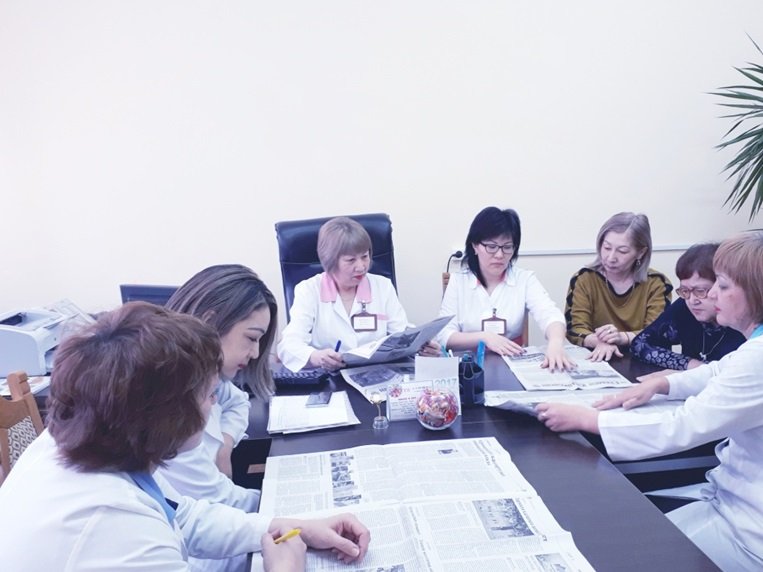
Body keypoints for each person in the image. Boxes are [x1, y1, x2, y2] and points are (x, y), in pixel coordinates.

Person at [0, 302, 371, 571]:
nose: (214, 404)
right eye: (209, 394)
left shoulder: (92, 442)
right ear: (168, 413)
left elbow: (184, 517)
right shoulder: (113, 524)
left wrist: (292, 527)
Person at [536, 230, 763, 571]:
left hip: (746, 531)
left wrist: (589, 420)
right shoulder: (753, 349)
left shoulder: (757, 357)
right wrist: (661, 384)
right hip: (731, 502)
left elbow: (685, 426)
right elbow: (717, 372)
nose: (712, 294)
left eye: (723, 285)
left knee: (617, 551)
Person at [160, 265, 278, 571]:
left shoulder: (205, 377)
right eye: (251, 338)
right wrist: (286, 506)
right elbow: (215, 503)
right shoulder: (166, 407)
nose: (255, 353)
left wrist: (225, 443)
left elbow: (237, 400)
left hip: (209, 531)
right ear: (211, 323)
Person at [277, 216, 438, 372]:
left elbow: (400, 333)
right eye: (351, 260)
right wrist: (316, 357)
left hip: (376, 375)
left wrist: (421, 346)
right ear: (330, 260)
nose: (361, 267)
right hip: (330, 378)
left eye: (365, 257)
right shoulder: (309, 290)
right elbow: (288, 345)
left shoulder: (382, 286)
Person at [437, 206, 574, 371]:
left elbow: (550, 315)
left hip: (511, 364)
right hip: (468, 367)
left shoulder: (525, 279)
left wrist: (556, 343)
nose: (499, 255)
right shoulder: (458, 282)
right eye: (491, 246)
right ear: (475, 246)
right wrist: (485, 338)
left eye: (507, 247)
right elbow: (444, 335)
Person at [565, 211, 673, 361]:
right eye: (607, 247)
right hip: (598, 358)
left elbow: (657, 332)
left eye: (622, 251)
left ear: (641, 252)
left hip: (644, 360)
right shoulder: (584, 278)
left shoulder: (657, 283)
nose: (611, 258)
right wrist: (600, 341)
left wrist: (621, 338)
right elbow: (574, 328)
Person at [630, 243, 745, 370]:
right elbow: (640, 344)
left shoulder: (744, 323)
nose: (692, 300)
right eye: (685, 290)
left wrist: (705, 371)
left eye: (700, 291)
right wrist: (692, 365)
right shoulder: (685, 306)